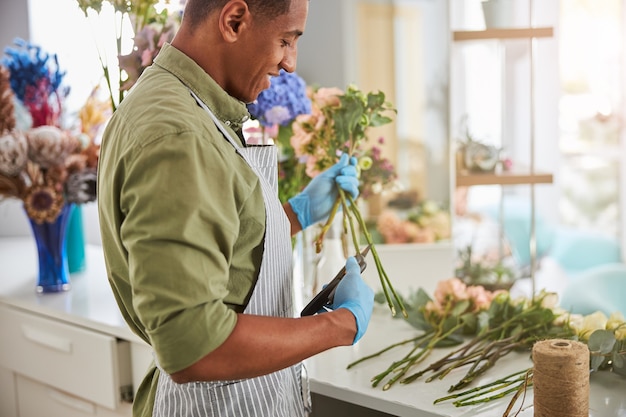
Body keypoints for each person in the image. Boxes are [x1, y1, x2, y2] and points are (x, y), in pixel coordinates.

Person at [96, 0, 375, 416]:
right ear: (234, 20)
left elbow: (223, 244)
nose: (290, 63)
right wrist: (339, 324)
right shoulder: (179, 136)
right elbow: (194, 345)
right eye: (285, 40)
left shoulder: (182, 103)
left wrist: (297, 213)